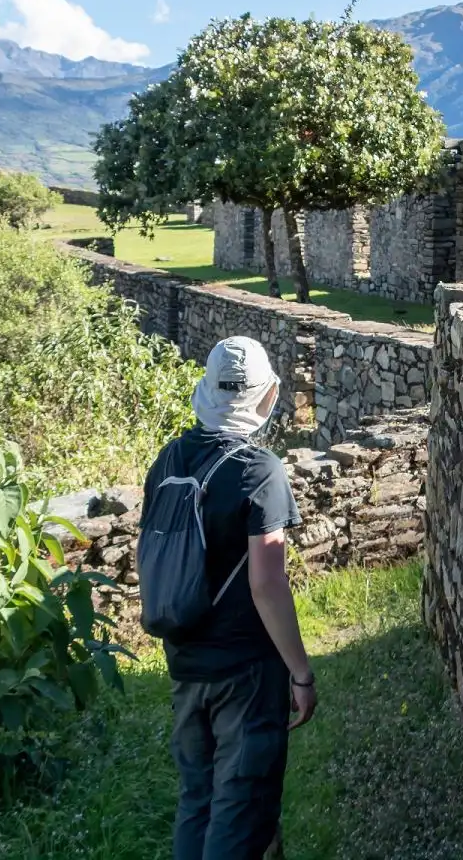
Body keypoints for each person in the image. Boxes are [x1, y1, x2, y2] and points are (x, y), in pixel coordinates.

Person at [148, 336, 316, 860]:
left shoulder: (171, 457)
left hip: (186, 660)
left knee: (197, 800)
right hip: (244, 669)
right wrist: (301, 672)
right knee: (239, 810)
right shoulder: (258, 470)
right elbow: (266, 584)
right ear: (264, 396)